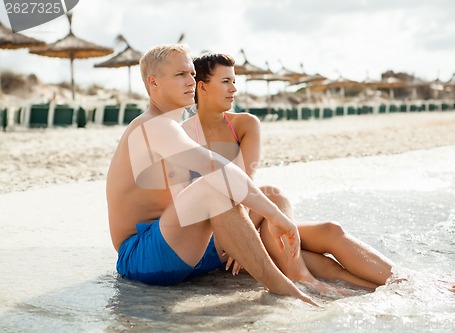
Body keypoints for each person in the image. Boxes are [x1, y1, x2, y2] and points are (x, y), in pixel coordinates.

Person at [183, 52, 455, 296]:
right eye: (226, 82)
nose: (234, 89)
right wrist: (238, 239)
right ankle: (423, 287)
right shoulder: (183, 134)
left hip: (252, 217)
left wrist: (245, 234)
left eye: (235, 81)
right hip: (214, 238)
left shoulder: (245, 124)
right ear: (202, 86)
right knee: (316, 262)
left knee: (330, 230)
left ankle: (417, 284)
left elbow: (247, 181)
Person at [106, 44, 316, 306]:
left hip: (183, 247)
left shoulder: (173, 126)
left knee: (274, 195)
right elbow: (215, 168)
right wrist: (275, 215)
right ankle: (285, 289)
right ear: (153, 82)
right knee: (219, 189)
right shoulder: (153, 125)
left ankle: (320, 282)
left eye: (192, 74)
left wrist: (264, 219)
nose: (191, 81)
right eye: (180, 74)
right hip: (143, 257)